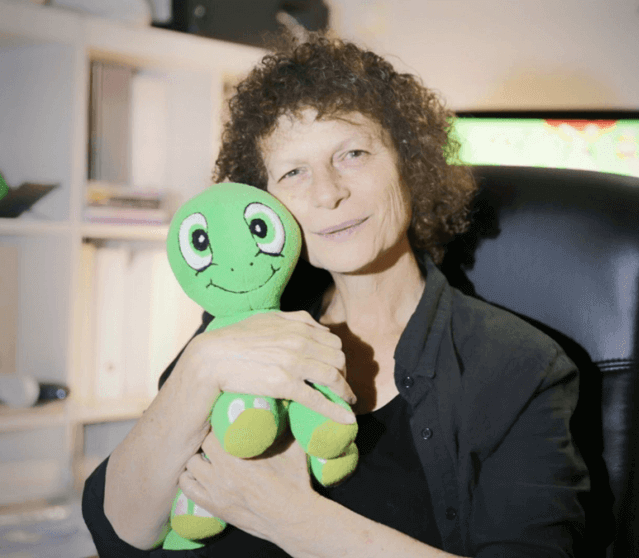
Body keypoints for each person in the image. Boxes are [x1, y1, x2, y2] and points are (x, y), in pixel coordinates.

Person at [82, 32, 590, 557]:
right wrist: (201, 366)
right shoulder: (243, 322)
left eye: (352, 154)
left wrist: (293, 518)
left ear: (408, 163)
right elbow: (121, 529)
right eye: (293, 172)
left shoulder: (520, 367)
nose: (327, 193)